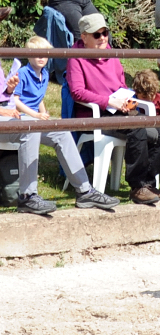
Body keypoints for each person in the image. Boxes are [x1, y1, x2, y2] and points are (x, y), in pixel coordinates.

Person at [7, 35, 120, 214]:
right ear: (28, 55)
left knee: (62, 132)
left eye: (45, 53)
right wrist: (35, 115)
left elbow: (36, 99)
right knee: (32, 128)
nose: (42, 57)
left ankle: (84, 191)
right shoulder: (22, 73)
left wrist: (42, 114)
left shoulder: (44, 74)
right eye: (37, 54)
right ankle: (27, 197)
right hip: (16, 118)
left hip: (30, 119)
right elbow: (14, 101)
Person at [67, 14, 160, 205]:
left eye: (105, 33)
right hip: (96, 114)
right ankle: (137, 186)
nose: (103, 38)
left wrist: (127, 98)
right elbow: (77, 92)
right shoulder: (76, 58)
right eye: (97, 35)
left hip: (120, 109)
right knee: (137, 127)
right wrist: (107, 101)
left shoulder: (111, 54)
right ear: (84, 37)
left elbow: (121, 84)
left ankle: (148, 183)